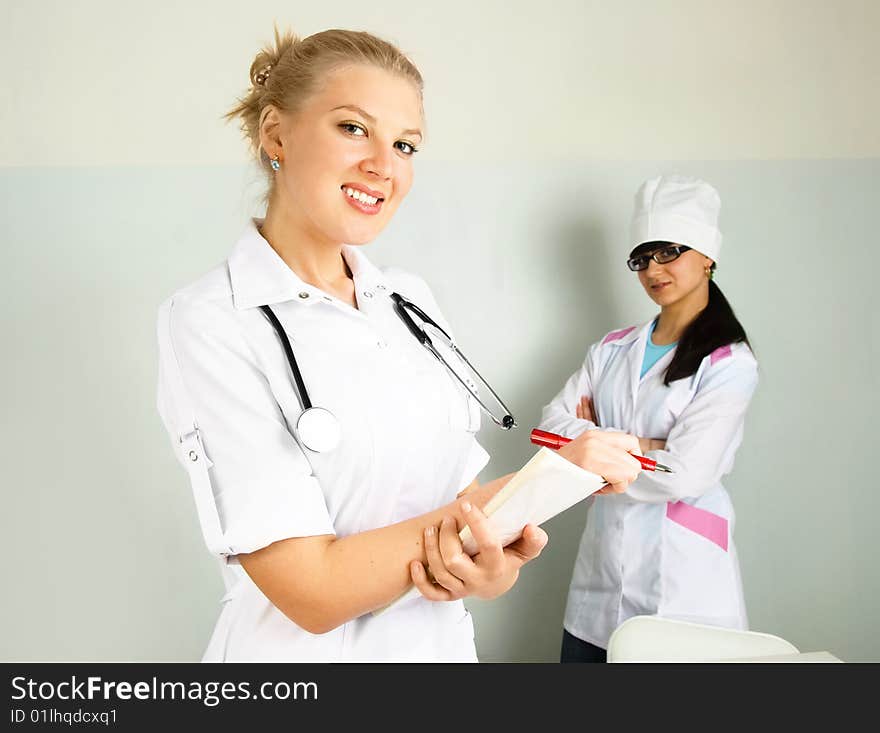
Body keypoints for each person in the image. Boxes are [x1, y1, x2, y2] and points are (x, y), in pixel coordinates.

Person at [156, 27, 643, 662]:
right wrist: (547, 475)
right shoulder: (210, 320)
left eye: (405, 144)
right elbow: (313, 591)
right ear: (276, 134)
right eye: (353, 128)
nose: (383, 165)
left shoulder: (406, 301)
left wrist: (490, 564)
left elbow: (452, 507)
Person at [540, 174, 759, 663]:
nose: (652, 269)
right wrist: (649, 444)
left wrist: (594, 442)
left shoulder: (729, 363)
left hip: (685, 583)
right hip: (600, 580)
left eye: (669, 251)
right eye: (641, 258)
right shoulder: (610, 350)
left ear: (707, 258)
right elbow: (550, 428)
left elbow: (688, 472)